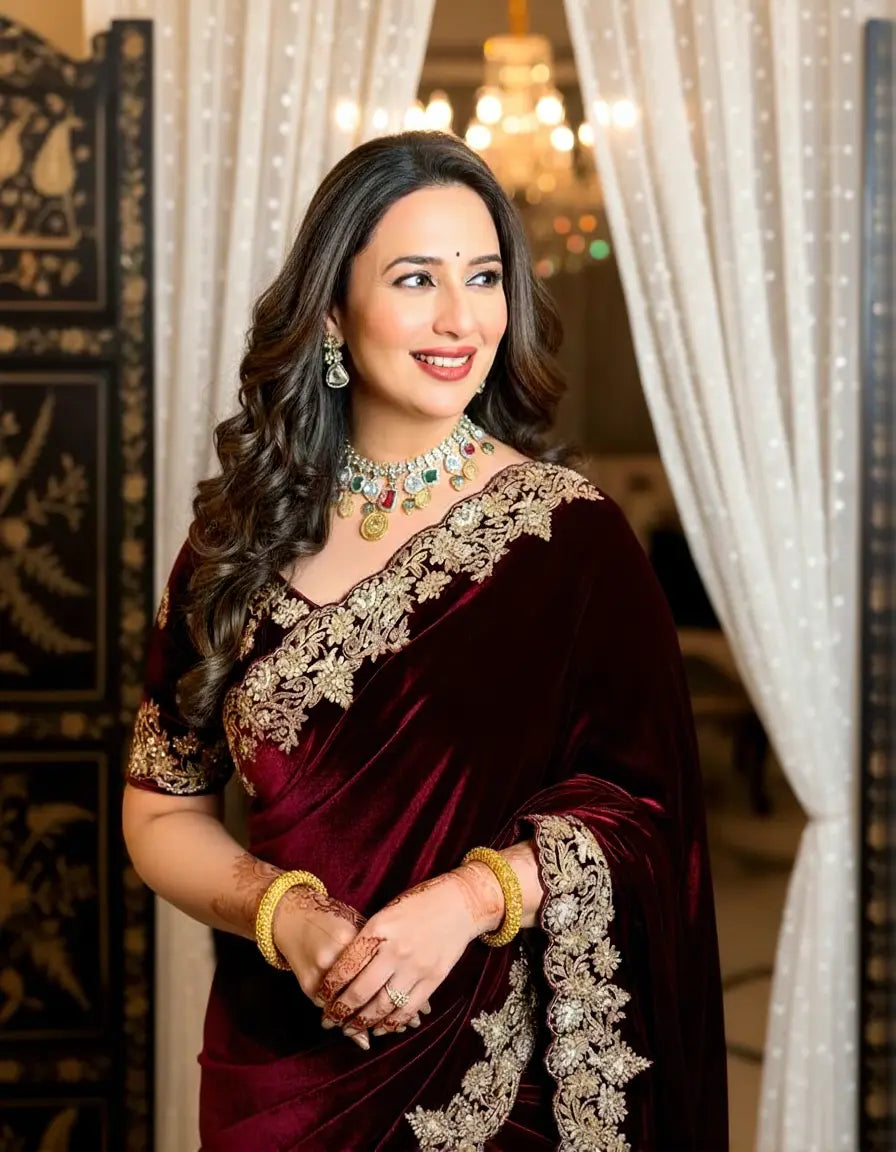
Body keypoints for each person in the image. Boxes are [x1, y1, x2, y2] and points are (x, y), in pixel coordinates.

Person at [122, 131, 728, 1151]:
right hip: (276, 1078)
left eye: (483, 277)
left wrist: (469, 899)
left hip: (497, 1084)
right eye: (415, 279)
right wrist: (286, 914)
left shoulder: (570, 542)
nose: (460, 318)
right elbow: (159, 809)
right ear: (331, 309)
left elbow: (653, 819)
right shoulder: (235, 543)